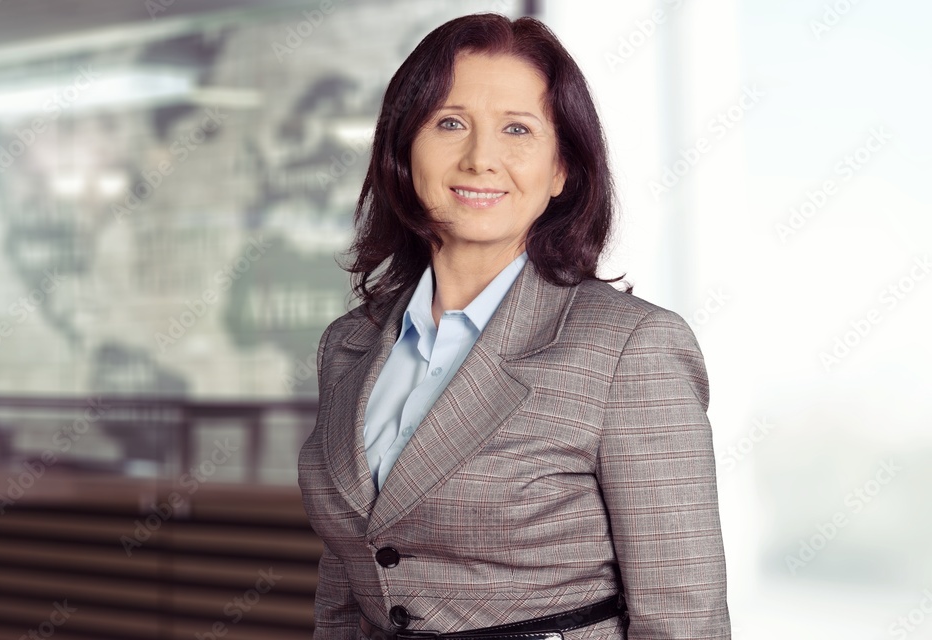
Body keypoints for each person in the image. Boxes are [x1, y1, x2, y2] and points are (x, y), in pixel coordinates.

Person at [298, 13, 730, 640]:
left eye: (518, 130)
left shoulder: (632, 350)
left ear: (562, 171)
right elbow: (348, 576)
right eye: (450, 124)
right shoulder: (348, 345)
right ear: (402, 150)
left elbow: (684, 619)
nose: (480, 159)